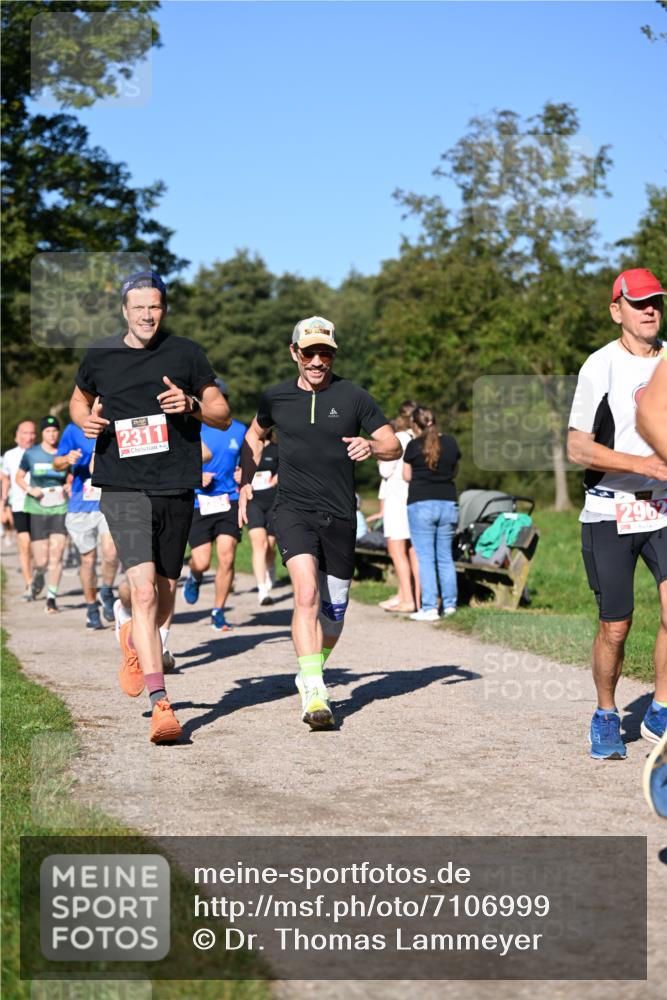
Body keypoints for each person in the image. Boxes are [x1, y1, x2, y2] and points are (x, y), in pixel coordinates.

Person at [68, 270, 230, 744]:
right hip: (121, 484)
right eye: (138, 307)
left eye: (154, 306)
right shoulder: (101, 353)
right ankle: (162, 704)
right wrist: (87, 420)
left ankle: (135, 643)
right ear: (124, 310)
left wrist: (192, 403)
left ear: (163, 309)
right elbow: (79, 399)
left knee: (162, 594)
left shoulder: (186, 353)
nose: (146, 314)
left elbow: (221, 414)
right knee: (141, 593)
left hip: (175, 484)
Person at [239, 316, 400, 729]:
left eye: (324, 353)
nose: (316, 361)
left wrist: (371, 444)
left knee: (334, 614)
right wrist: (244, 481)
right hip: (292, 509)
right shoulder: (275, 398)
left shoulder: (353, 396)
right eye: (308, 353)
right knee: (306, 595)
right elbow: (254, 436)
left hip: (341, 514)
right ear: (294, 352)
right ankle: (314, 692)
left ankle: (309, 670)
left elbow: (392, 443)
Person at [567, 267, 667, 761]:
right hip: (609, 510)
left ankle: (661, 708)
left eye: (656, 302)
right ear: (617, 310)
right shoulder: (599, 366)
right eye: (639, 303)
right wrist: (643, 464)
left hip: (663, 508)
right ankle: (606, 713)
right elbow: (577, 448)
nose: (650, 310)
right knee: (616, 626)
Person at [183, 379, 247, 631]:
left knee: (227, 556)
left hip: (229, 499)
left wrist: (245, 474)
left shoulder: (239, 430)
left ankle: (218, 610)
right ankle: (195, 575)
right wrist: (196, 474)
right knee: (202, 561)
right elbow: (177, 460)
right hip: (200, 501)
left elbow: (249, 461)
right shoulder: (193, 427)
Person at [54, 422, 119, 630]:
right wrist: (67, 459)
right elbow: (57, 463)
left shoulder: (114, 421)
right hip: (81, 505)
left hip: (109, 501)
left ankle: (106, 590)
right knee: (88, 559)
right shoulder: (73, 429)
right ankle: (91, 607)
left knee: (111, 552)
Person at [403, 406, 460, 621]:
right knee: (445, 557)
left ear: (415, 426)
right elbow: (455, 470)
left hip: (421, 504)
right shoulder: (451, 442)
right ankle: (450, 605)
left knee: (426, 559)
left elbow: (407, 476)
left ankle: (429, 608)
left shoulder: (413, 445)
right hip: (448, 502)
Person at [15, 416, 69, 612]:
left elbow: (71, 477)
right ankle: (39, 574)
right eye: (48, 431)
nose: (52, 434)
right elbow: (19, 477)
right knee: (42, 560)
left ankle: (51, 598)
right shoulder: (32, 454)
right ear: (42, 433)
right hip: (37, 509)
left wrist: (68, 486)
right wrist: (30, 490)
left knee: (57, 556)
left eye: (55, 430)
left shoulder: (64, 454)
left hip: (59, 509)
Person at [376, 403, 420, 614]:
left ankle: (408, 599)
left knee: (397, 551)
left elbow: (386, 470)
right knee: (412, 551)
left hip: (396, 499)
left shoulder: (401, 438)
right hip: (413, 497)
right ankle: (413, 596)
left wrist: (378, 456)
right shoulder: (418, 436)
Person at [243, 429, 279, 606]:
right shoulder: (247, 448)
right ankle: (262, 589)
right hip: (253, 501)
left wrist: (279, 477)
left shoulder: (276, 449)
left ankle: (270, 567)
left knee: (270, 546)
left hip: (273, 500)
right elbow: (238, 469)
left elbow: (287, 468)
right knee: (260, 544)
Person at [2, 420, 37, 600]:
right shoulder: (9, 456)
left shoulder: (42, 452)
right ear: (17, 436)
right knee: (24, 544)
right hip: (19, 505)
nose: (29, 436)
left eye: (32, 433)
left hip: (42, 506)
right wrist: (2, 505)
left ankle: (38, 577)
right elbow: (5, 480)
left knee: (37, 549)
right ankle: (29, 584)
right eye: (25, 433)